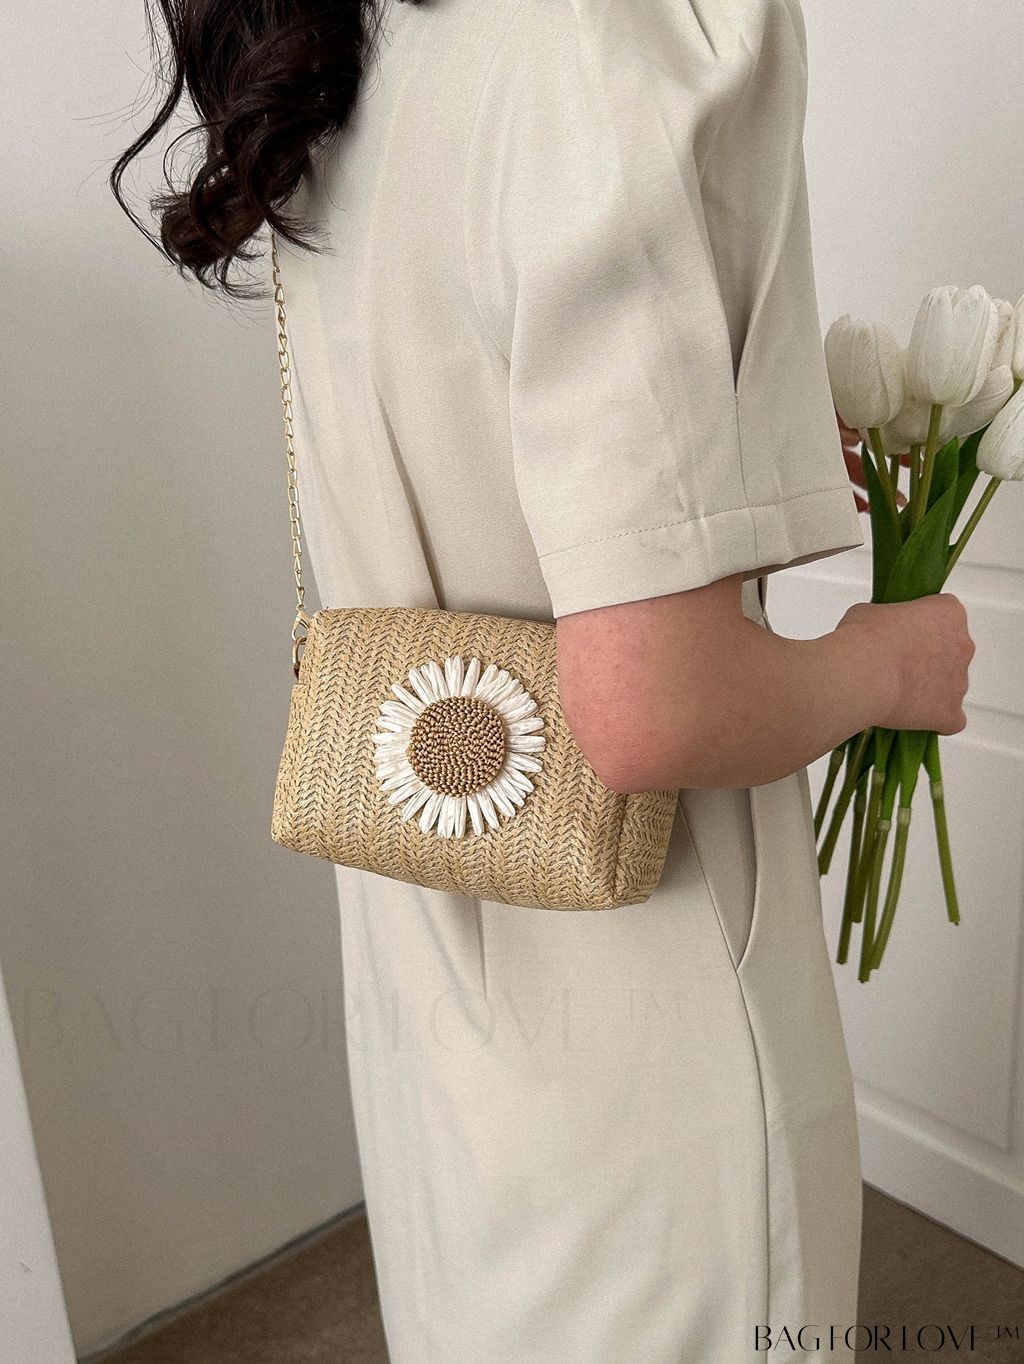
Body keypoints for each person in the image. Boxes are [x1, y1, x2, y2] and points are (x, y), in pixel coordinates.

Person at [112, 0, 974, 1359]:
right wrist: (890, 664)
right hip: (652, 1030)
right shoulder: (616, 36)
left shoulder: (340, 55)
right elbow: (657, 708)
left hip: (435, 978)